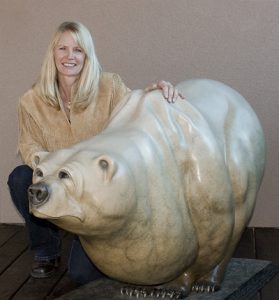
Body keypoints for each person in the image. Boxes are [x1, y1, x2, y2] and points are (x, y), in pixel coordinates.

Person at [7, 21, 183, 284]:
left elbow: (133, 110)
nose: (70, 57)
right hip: (58, 185)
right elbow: (29, 146)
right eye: (63, 48)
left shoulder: (109, 86)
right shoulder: (30, 100)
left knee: (81, 274)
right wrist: (56, 167)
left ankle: (86, 234)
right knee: (21, 177)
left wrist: (155, 92)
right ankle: (46, 251)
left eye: (78, 50)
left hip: (94, 195)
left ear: (87, 55)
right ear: (52, 53)